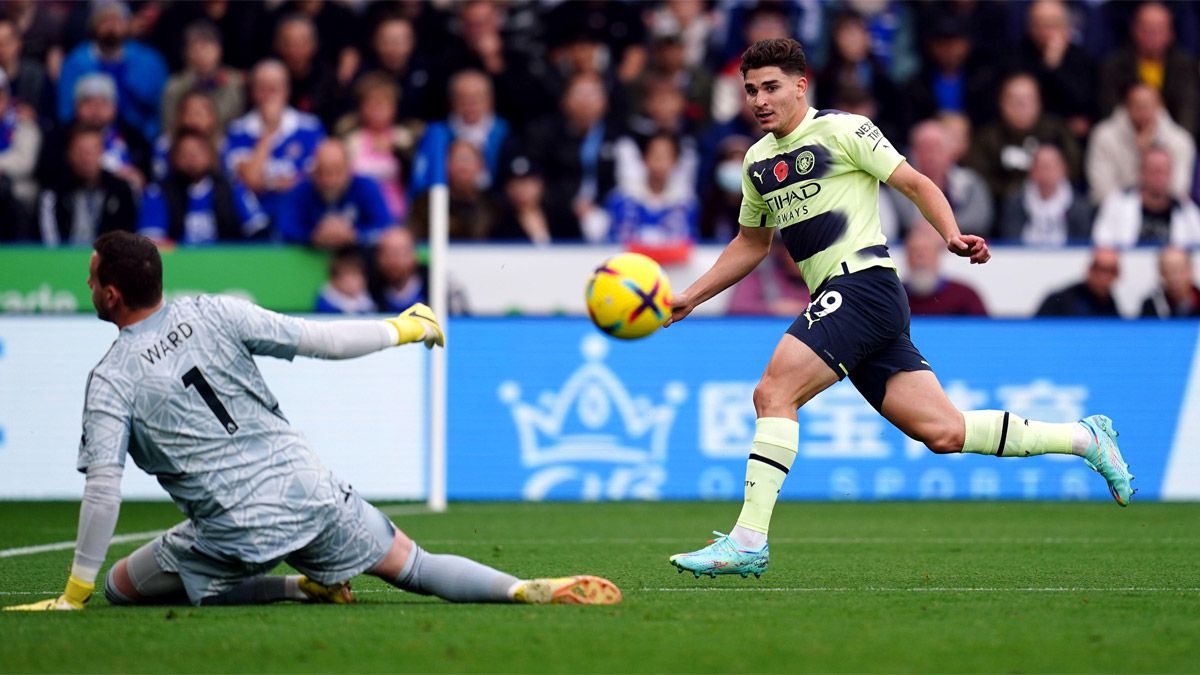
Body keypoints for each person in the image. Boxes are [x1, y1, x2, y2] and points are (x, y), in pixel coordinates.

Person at [664, 39, 1134, 579]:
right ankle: (1085, 438)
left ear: (801, 85)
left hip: (863, 286)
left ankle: (749, 539)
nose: (760, 100)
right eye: (750, 90)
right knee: (944, 432)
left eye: (771, 87)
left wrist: (951, 234)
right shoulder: (756, 162)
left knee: (773, 392)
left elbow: (913, 181)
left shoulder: (844, 131)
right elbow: (752, 244)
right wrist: (689, 297)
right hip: (846, 301)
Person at [3, 231, 620, 611]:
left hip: (231, 528)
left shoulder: (112, 377)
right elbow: (319, 339)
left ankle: (293, 588)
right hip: (308, 489)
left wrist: (76, 593)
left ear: (111, 295)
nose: (89, 284)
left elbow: (104, 488)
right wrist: (401, 328)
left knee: (121, 586)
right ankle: (518, 589)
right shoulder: (216, 311)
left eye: (91, 278)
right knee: (416, 566)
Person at [224, 60, 325, 226]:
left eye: (275, 89)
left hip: (303, 217)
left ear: (287, 90)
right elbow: (251, 181)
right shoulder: (237, 131)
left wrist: (273, 183)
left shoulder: (311, 128)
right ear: (253, 92)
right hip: (254, 222)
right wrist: (268, 132)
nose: (269, 95)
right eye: (263, 88)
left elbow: (319, 179)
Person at [57, 1, 168, 142]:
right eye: (105, 21)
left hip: (138, 140)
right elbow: (66, 112)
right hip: (86, 138)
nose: (112, 27)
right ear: (94, 25)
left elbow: (157, 110)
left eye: (117, 21)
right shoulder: (75, 62)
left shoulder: (150, 61)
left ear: (127, 25)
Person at [137, 129, 268, 245]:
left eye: (198, 152)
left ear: (210, 156)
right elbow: (152, 242)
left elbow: (259, 230)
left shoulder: (231, 188)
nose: (192, 158)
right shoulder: (158, 193)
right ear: (174, 158)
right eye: (185, 153)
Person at [1086, 83, 1194, 206]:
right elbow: (1101, 190)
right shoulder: (1104, 136)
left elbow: (1178, 190)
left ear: (1160, 107)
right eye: (1137, 106)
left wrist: (1147, 153)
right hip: (1114, 212)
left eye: (1148, 106)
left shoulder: (1180, 140)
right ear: (1126, 107)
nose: (1143, 112)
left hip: (1164, 214)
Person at [276, 139, 392, 248]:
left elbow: (386, 227)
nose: (329, 181)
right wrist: (312, 236)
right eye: (322, 172)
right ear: (313, 171)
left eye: (336, 172)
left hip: (358, 260)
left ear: (349, 169)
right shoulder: (300, 191)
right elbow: (284, 229)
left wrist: (355, 235)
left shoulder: (366, 187)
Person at [37, 126, 137, 246]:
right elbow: (49, 241)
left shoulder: (121, 190)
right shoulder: (54, 192)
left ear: (102, 153)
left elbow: (128, 237)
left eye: (92, 151)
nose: (86, 158)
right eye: (81, 152)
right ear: (70, 154)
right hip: (63, 259)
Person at [1092, 146, 1200, 248]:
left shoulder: (1188, 212)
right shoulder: (1116, 205)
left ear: (1171, 173)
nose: (1159, 176)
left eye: (1163, 171)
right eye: (1154, 171)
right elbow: (1101, 245)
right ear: (1141, 173)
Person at [159, 20, 245, 135]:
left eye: (207, 46)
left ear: (219, 50)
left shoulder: (233, 82)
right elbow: (169, 125)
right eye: (195, 47)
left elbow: (237, 121)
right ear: (186, 53)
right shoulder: (174, 86)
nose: (202, 53)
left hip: (226, 143)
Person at [996, 144, 1093, 245]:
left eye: (1050, 167)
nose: (1046, 173)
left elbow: (1081, 245)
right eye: (1041, 167)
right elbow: (1010, 242)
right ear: (1032, 170)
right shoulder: (1015, 204)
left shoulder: (1079, 207)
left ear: (1063, 169)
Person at [902, 220, 987, 316]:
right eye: (914, 253)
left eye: (925, 253)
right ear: (906, 257)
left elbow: (983, 328)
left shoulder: (964, 297)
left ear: (937, 256)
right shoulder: (896, 296)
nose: (920, 261)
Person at [1035, 248, 1123, 317]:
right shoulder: (1060, 302)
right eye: (1101, 269)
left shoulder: (1110, 305)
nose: (1105, 276)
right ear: (1089, 270)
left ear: (1118, 274)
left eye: (1111, 271)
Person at [1141, 246, 1200, 318]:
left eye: (1180, 270)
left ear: (1190, 270)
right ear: (1161, 273)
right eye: (1168, 271)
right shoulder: (1151, 306)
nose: (1174, 277)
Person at [314, 247, 377, 314]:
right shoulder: (326, 303)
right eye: (352, 277)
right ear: (336, 281)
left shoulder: (366, 301)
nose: (359, 281)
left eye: (360, 276)